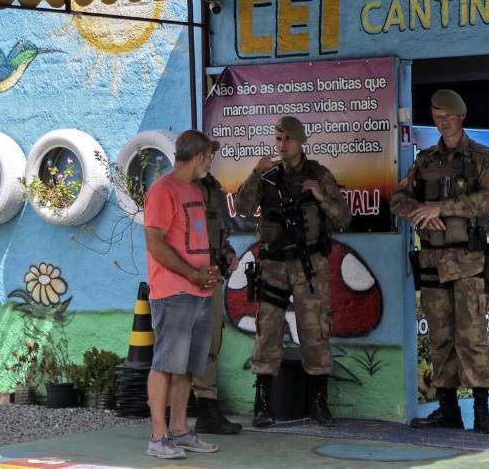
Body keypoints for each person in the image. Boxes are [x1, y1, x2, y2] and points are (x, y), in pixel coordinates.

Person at [391, 89, 489, 434]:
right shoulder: (425, 161)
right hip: (433, 262)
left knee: (471, 337)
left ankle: (482, 412)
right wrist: (419, 214)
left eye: (449, 115)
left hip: (468, 261)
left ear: (461, 116)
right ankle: (448, 409)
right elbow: (398, 198)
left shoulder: (482, 157)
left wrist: (442, 207)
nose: (443, 120)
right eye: (437, 115)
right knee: (440, 337)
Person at [235, 116, 351, 427]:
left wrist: (321, 197)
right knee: (268, 330)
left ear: (301, 141)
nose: (281, 144)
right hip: (273, 264)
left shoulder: (318, 174)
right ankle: (262, 403)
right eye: (278, 138)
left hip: (310, 264)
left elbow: (343, 219)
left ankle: (318, 402)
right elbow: (244, 208)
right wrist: (255, 175)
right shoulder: (268, 176)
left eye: (287, 139)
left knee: (314, 331)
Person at [143, 129, 222, 460]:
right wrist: (191, 273)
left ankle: (179, 430)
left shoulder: (194, 190)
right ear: (200, 157)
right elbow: (156, 242)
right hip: (173, 291)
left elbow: (195, 239)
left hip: (198, 290)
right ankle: (158, 437)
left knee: (188, 365)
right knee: (165, 362)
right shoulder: (163, 191)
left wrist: (209, 270)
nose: (211, 161)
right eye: (210, 156)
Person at [191, 170, 242, 435]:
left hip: (211, 274)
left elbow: (219, 232)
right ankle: (177, 415)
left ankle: (207, 409)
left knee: (210, 341)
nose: (208, 159)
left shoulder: (213, 189)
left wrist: (228, 253)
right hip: (187, 275)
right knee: (190, 344)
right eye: (206, 153)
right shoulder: (179, 187)